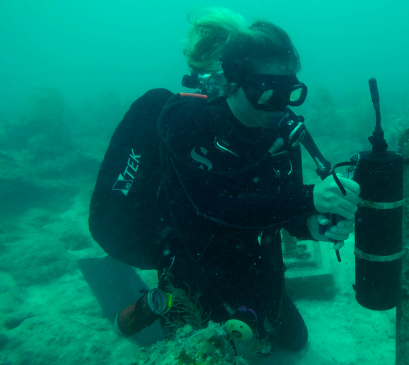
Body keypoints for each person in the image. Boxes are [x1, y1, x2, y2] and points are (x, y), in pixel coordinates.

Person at [110, 8, 360, 355]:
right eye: (267, 91)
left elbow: (285, 206)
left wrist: (312, 225)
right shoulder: (188, 122)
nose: (280, 105)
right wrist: (309, 200)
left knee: (292, 341)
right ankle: (153, 305)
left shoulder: (279, 132)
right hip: (192, 263)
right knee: (206, 352)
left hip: (252, 258)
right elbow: (212, 207)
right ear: (233, 83)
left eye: (290, 91)